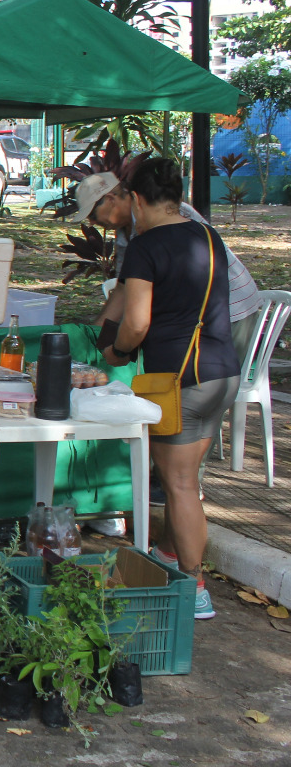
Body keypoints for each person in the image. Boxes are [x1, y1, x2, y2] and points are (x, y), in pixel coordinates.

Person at [100, 157, 239, 622]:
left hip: (180, 378)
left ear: (137, 199)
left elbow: (136, 323)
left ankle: (195, 586)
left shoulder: (146, 246)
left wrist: (116, 353)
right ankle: (167, 554)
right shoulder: (207, 234)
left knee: (178, 485)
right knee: (187, 482)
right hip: (222, 372)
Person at [76, 170, 260, 362]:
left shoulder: (171, 215)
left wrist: (123, 347)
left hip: (229, 311)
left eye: (92, 213)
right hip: (194, 321)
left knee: (196, 379)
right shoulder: (125, 235)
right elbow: (124, 289)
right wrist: (94, 336)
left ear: (110, 199)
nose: (92, 222)